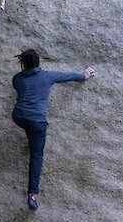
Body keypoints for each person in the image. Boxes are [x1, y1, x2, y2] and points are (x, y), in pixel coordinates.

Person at [12, 48, 94, 210]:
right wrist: (83, 76)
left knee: (31, 128)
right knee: (36, 155)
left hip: (18, 117)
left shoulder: (17, 79)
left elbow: (20, 89)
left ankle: (31, 138)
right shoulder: (46, 76)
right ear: (38, 62)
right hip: (36, 122)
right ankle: (32, 196)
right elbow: (67, 76)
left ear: (23, 63)